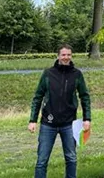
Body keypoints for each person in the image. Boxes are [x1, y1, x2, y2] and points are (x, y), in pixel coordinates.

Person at [28, 44, 91, 178]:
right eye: (63, 55)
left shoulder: (77, 75)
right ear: (58, 56)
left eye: (69, 55)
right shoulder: (48, 74)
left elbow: (84, 96)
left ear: (71, 56)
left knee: (71, 158)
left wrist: (87, 118)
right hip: (48, 123)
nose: (66, 57)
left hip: (69, 124)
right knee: (41, 161)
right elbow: (38, 97)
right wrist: (32, 120)